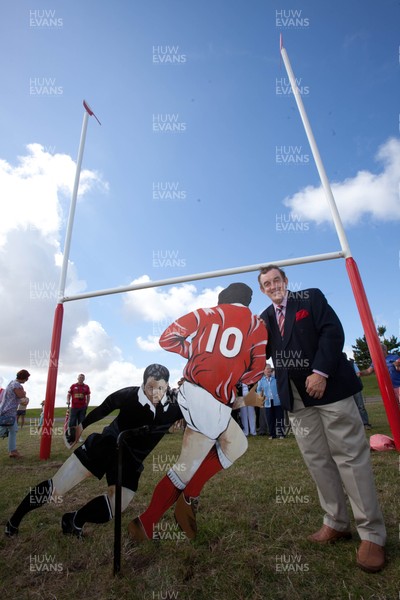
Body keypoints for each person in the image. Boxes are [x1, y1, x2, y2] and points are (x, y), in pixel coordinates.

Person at [258, 265, 386, 573]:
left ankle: (371, 534)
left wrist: (320, 371)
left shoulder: (310, 298)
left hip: (329, 388)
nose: (274, 286)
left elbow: (332, 332)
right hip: (296, 399)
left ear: (286, 281)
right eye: (267, 283)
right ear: (263, 290)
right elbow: (255, 353)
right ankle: (336, 521)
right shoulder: (262, 319)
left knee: (350, 457)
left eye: (277, 279)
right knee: (316, 459)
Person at [128, 282, 268, 542]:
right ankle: (149, 520)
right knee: (186, 467)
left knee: (237, 444)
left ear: (222, 299)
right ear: (248, 301)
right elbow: (257, 370)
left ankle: (187, 498)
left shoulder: (206, 313)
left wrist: (196, 353)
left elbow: (167, 338)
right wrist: (232, 370)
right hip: (211, 399)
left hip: (191, 389)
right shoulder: (256, 324)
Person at [5, 364, 183, 538]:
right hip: (105, 446)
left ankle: (74, 520)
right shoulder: (129, 394)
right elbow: (104, 408)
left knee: (116, 505)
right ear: (143, 384)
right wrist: (81, 427)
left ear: (166, 385)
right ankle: (14, 521)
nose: (154, 392)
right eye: (150, 386)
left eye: (159, 387)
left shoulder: (177, 407)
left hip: (130, 460)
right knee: (57, 487)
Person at [0, 370, 30, 458]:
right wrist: (25, 396)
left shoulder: (11, 383)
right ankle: (13, 451)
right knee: (2, 431)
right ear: (25, 378)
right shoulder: (17, 385)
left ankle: (13, 451)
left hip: (6, 410)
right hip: (8, 411)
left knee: (13, 430)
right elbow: (23, 400)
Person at [257, 364, 285, 439]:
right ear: (264, 371)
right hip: (267, 402)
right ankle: (272, 434)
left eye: (269, 369)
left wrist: (280, 395)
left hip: (277, 401)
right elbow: (258, 390)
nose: (269, 370)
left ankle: (281, 434)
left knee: (279, 418)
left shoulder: (276, 378)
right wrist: (262, 396)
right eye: (267, 369)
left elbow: (281, 387)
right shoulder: (261, 380)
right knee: (270, 419)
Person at [350, 358, 372, 429]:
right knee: (349, 408)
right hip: (345, 389)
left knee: (360, 406)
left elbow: (358, 374)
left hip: (355, 387)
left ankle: (365, 423)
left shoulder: (352, 363)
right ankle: (354, 425)